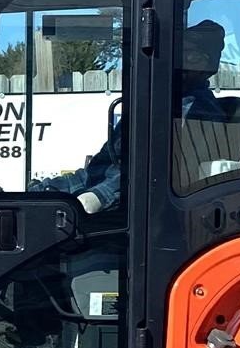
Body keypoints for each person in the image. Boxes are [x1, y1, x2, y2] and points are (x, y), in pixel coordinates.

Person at [39, 19, 229, 213]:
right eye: (179, 54)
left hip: (133, 215)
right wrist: (47, 190)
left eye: (190, 56)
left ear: (206, 64)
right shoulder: (154, 105)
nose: (177, 62)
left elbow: (151, 176)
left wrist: (97, 197)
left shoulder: (198, 113)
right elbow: (99, 170)